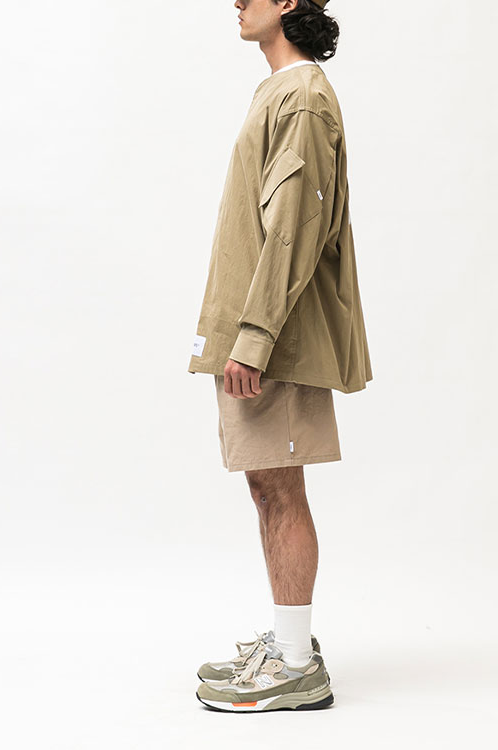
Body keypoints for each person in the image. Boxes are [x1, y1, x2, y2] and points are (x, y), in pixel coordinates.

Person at [187, 0, 372, 712]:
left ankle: (295, 665)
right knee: (267, 485)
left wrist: (256, 336)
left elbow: (293, 226)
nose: (235, 1)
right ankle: (288, 641)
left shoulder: (302, 96)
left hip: (276, 339)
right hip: (258, 332)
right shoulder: (283, 91)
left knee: (280, 489)